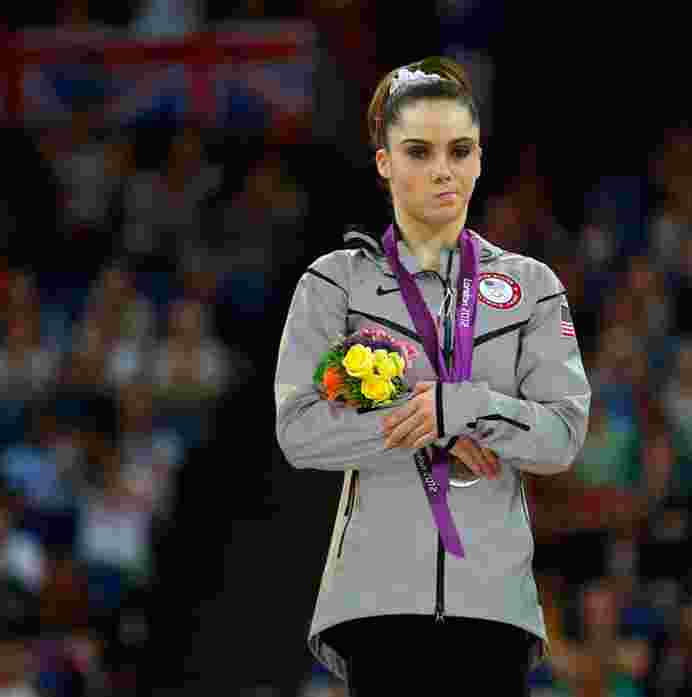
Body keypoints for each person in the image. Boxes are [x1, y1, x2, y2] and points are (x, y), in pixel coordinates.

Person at [274, 56, 591, 695]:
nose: (443, 170)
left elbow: (562, 436)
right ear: (385, 161)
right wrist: (423, 424)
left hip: (493, 604)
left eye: (460, 149)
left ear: (478, 159)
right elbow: (300, 431)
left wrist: (463, 406)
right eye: (418, 151)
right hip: (376, 606)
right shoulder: (334, 282)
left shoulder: (531, 287)